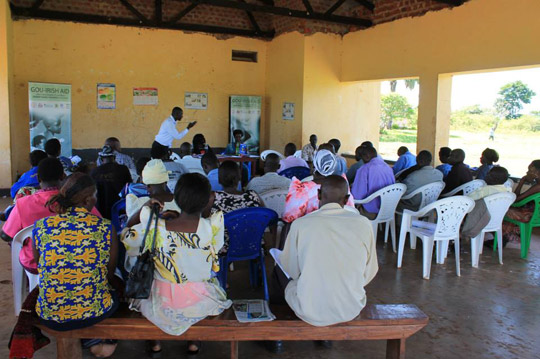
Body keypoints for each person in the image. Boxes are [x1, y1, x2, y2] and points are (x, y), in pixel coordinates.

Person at [122, 174, 231, 355]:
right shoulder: (212, 226)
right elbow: (215, 247)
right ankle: (193, 343)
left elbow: (128, 237)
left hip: (160, 300)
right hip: (198, 299)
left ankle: (155, 344)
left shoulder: (155, 226)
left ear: (177, 199)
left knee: (149, 297)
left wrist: (147, 208)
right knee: (209, 285)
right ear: (206, 201)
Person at [269, 176, 377, 352]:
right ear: (346, 199)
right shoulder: (364, 224)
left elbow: (293, 271)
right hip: (350, 306)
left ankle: (278, 335)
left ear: (318, 194)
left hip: (309, 309)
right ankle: (325, 337)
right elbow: (370, 270)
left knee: (278, 272)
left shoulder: (301, 224)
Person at [33, 173, 119, 357]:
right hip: (93, 310)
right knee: (116, 294)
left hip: (50, 312)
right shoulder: (104, 227)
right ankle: (102, 342)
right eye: (95, 196)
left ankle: (91, 341)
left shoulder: (41, 226)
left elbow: (39, 265)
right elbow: (109, 275)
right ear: (88, 199)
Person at [2, 158, 100, 275]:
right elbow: (98, 222)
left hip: (36, 263)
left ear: (38, 179)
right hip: (76, 259)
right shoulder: (78, 200)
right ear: (63, 177)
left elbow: (6, 236)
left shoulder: (22, 204)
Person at [282, 149, 355, 224]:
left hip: (309, 232)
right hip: (338, 230)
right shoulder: (342, 187)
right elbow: (351, 213)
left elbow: (288, 218)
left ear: (313, 167)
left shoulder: (301, 190)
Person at [209, 161, 262, 254]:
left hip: (224, 246)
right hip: (253, 244)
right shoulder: (253, 195)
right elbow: (264, 214)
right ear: (239, 177)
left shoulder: (214, 197)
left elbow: (205, 219)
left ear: (219, 179)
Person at [351, 146, 395, 219]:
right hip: (388, 208)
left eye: (362, 157)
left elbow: (357, 196)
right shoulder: (387, 167)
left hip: (372, 211)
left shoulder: (364, 169)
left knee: (346, 208)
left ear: (366, 156)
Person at [502, 160, 540, 243]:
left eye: (530, 170)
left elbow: (516, 200)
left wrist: (521, 183)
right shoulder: (537, 185)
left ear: (536, 173)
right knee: (510, 208)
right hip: (536, 215)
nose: (527, 172)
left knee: (502, 210)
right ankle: (509, 235)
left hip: (528, 215)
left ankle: (505, 237)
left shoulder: (538, 187)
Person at [91, 145, 132, 219]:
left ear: (101, 159)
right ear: (114, 157)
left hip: (101, 210)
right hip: (120, 209)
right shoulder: (123, 169)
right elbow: (129, 187)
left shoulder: (94, 172)